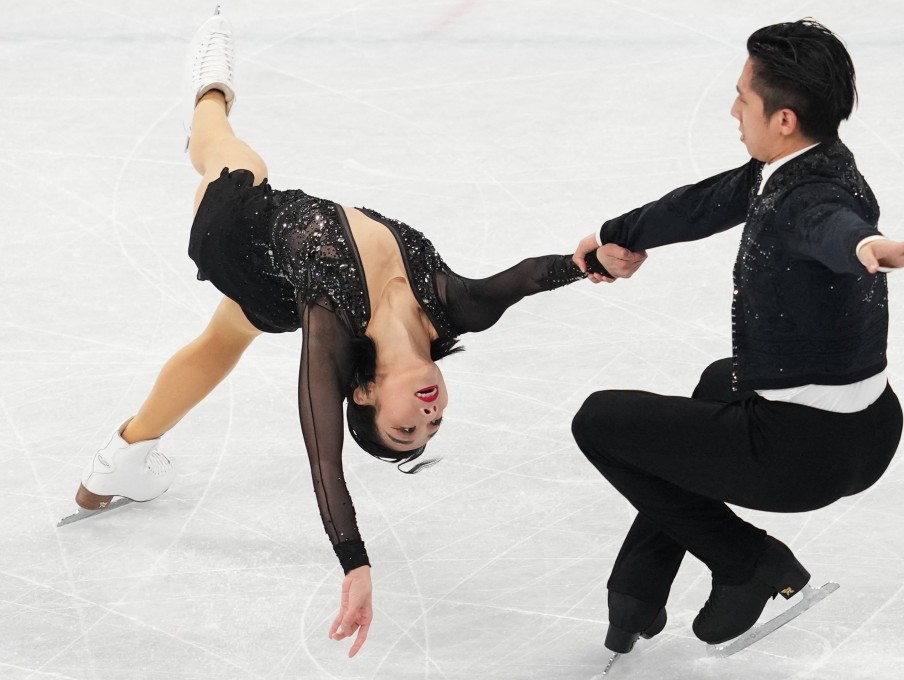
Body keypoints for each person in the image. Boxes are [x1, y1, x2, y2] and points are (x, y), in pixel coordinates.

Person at [69, 8, 643, 658]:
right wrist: (588, 262)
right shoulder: (453, 309)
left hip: (233, 231)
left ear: (364, 395)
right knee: (222, 341)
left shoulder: (331, 329)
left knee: (228, 151)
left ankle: (209, 90)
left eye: (406, 428)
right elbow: (523, 279)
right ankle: (119, 457)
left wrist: (354, 562)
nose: (427, 418)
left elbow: (324, 461)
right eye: (433, 427)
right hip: (276, 276)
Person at [569, 18, 904, 654]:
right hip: (871, 429)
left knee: (599, 423)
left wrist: (866, 247)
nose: (734, 109)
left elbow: (830, 225)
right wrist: (615, 235)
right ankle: (637, 592)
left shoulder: (808, 198)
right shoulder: (806, 165)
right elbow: (702, 203)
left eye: (744, 98)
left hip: (803, 456)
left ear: (784, 119)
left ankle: (748, 563)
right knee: (720, 383)